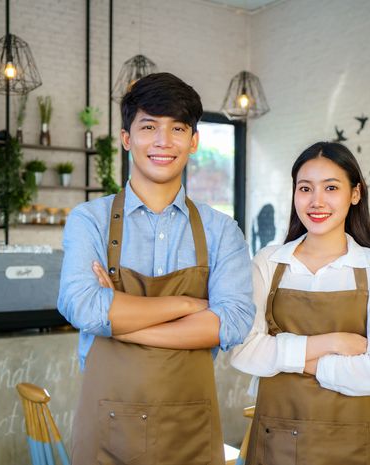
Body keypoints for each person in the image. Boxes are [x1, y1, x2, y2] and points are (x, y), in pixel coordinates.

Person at [57, 72, 254, 465]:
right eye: (149, 127)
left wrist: (118, 316)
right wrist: (188, 305)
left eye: (177, 128)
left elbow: (232, 321)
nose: (163, 142)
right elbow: (82, 306)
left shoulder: (221, 230)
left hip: (191, 430)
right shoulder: (90, 220)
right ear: (127, 138)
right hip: (105, 433)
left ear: (194, 141)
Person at [230, 142, 370, 465]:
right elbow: (243, 352)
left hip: (349, 443)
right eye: (305, 188)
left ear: (355, 194)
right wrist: (333, 342)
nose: (316, 201)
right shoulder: (268, 262)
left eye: (331, 188)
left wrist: (292, 360)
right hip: (274, 439)